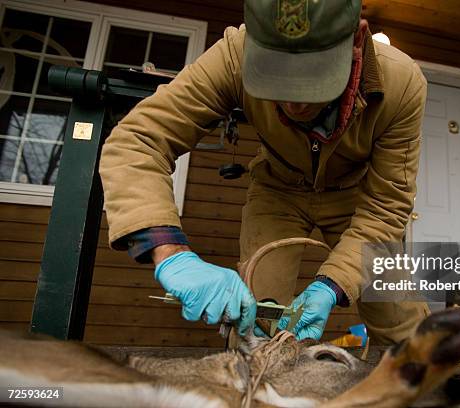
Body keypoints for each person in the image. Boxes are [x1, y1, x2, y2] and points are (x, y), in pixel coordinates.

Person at [99, 0, 429, 344]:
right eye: (277, 78)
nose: (295, 103)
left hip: (357, 200)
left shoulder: (402, 84)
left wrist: (332, 284)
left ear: (357, 38)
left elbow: (386, 207)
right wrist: (170, 255)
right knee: (258, 322)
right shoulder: (234, 55)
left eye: (313, 77)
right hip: (278, 190)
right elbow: (138, 140)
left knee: (399, 316)